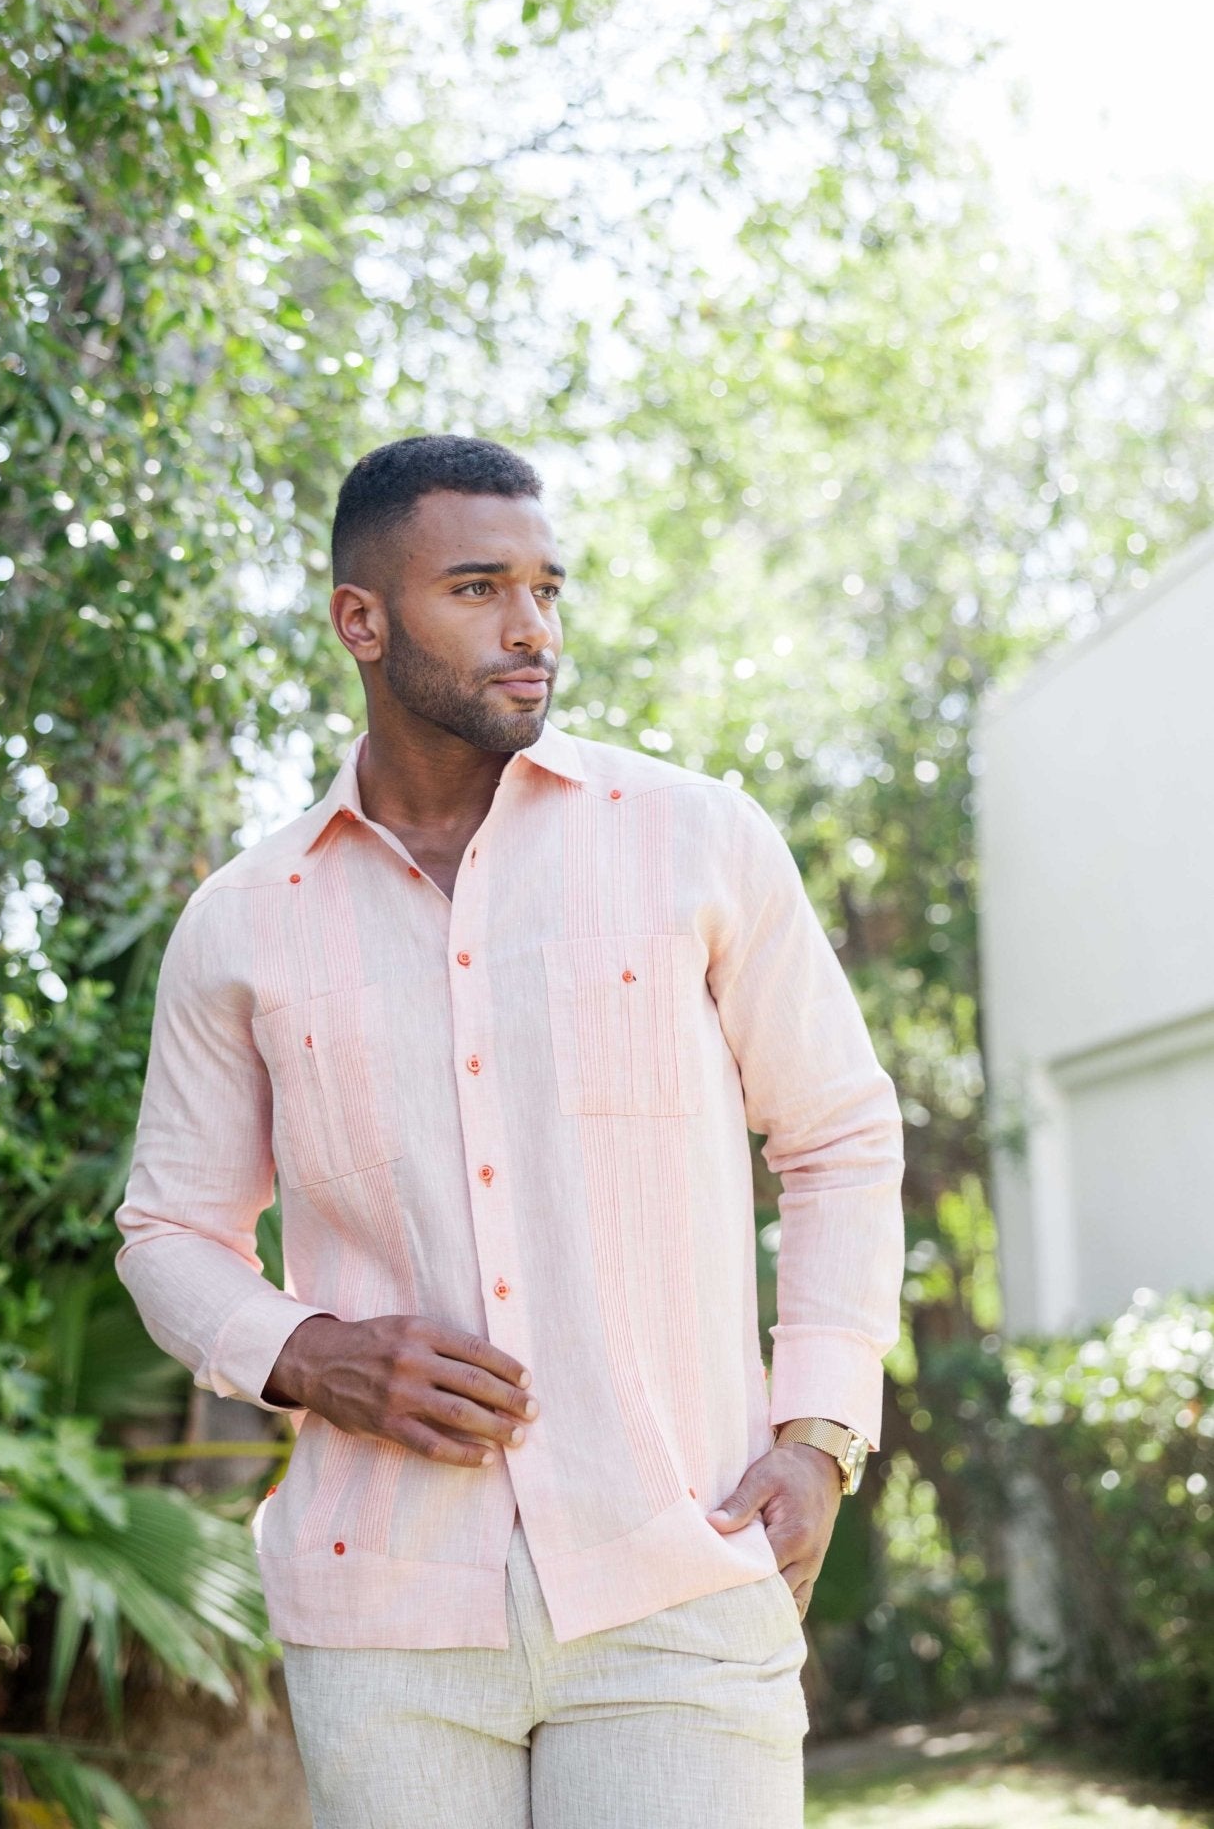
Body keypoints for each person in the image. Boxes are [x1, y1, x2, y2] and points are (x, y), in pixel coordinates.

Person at [114, 433, 905, 1828]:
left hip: (680, 1566)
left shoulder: (694, 839)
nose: (530, 627)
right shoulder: (243, 921)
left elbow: (835, 1137)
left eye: (547, 587)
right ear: (362, 619)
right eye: (477, 588)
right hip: (385, 1615)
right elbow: (170, 1232)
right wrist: (310, 1355)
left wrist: (820, 1431)